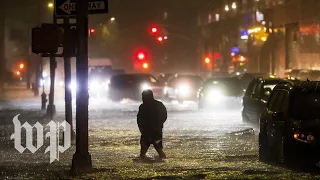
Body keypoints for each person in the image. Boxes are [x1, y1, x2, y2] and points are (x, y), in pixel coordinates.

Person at [137, 89, 167, 160]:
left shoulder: (157, 105)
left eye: (144, 97)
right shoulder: (143, 107)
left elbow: (163, 116)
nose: (143, 98)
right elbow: (139, 119)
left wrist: (158, 125)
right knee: (143, 152)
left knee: (158, 149)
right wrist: (142, 129)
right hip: (147, 131)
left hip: (155, 131)